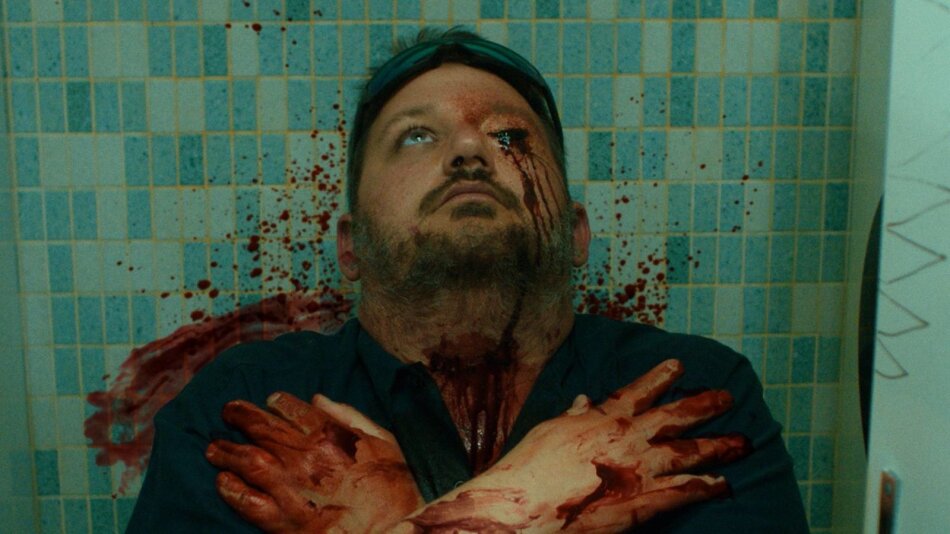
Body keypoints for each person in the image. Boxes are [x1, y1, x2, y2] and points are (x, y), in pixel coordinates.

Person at [127, 29, 808, 532]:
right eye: (416, 137)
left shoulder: (689, 400)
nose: (469, 150)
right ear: (350, 246)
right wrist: (525, 507)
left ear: (576, 232)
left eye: (510, 136)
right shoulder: (249, 412)